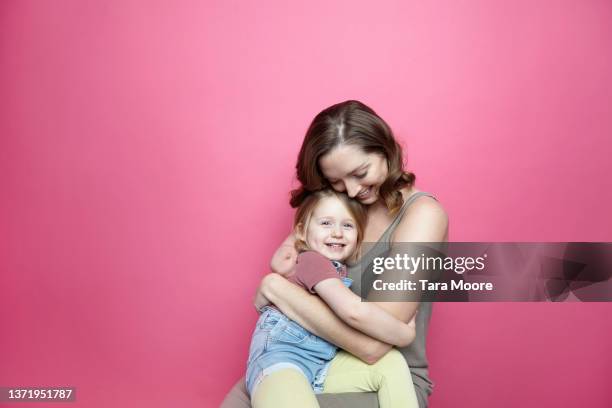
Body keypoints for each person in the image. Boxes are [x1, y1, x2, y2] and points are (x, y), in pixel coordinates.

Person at [221, 100, 448, 408]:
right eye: (336, 181)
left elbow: (371, 347)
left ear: (385, 149)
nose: (352, 191)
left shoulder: (422, 216)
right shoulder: (337, 208)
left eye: (361, 172)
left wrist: (277, 290)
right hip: (310, 360)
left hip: (382, 379)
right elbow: (283, 262)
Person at [247, 188, 419, 408]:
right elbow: (353, 311)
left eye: (347, 225)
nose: (337, 232)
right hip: (280, 362)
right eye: (326, 223)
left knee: (391, 363)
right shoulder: (312, 261)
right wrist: (404, 333)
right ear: (301, 232)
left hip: (321, 366)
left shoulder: (336, 270)